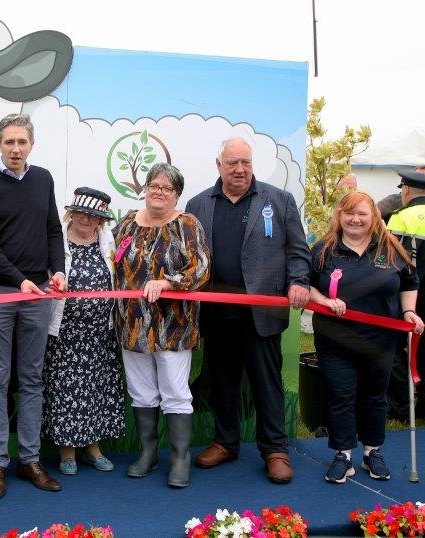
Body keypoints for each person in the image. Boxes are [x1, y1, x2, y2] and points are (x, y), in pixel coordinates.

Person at [185, 137, 311, 484]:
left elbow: (298, 250)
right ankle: (225, 442)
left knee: (266, 385)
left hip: (262, 314)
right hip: (216, 315)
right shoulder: (198, 204)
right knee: (222, 383)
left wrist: (299, 281)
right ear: (219, 165)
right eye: (232, 163)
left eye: (246, 162)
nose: (240, 170)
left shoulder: (279, 200)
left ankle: (275, 450)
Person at [0, 113, 66, 499]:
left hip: (38, 293)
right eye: (9, 142)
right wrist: (18, 279)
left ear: (31, 144)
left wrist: (58, 271)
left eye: (21, 142)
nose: (15, 149)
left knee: (32, 378)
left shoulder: (43, 178)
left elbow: (53, 230)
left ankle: (30, 460)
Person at [308, 191, 423, 483]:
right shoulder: (324, 249)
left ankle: (373, 452)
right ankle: (343, 455)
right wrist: (323, 301)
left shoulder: (390, 247)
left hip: (380, 342)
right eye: (349, 213)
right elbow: (305, 284)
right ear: (340, 216)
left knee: (375, 397)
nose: (355, 220)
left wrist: (409, 312)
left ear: (373, 217)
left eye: (362, 214)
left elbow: (409, 281)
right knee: (340, 396)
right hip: (335, 340)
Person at [113, 164, 210, 488]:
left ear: (176, 194)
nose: (159, 191)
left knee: (175, 393)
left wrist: (167, 283)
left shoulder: (187, 224)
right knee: (141, 392)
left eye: (167, 188)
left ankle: (180, 457)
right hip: (132, 323)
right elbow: (113, 263)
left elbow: (201, 269)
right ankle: (148, 453)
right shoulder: (128, 222)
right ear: (145, 189)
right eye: (154, 185)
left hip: (173, 326)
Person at [43, 187, 124, 477]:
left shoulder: (108, 241)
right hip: (66, 333)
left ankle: (93, 449)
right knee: (65, 390)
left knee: (96, 390)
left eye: (92, 215)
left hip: (100, 334)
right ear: (71, 213)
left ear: (101, 219)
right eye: (80, 212)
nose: (85, 219)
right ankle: (67, 453)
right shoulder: (57, 242)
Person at [385, 168, 425, 419]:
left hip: (410, 295)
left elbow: (391, 261)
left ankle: (401, 406)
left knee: (398, 348)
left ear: (407, 190)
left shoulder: (401, 218)